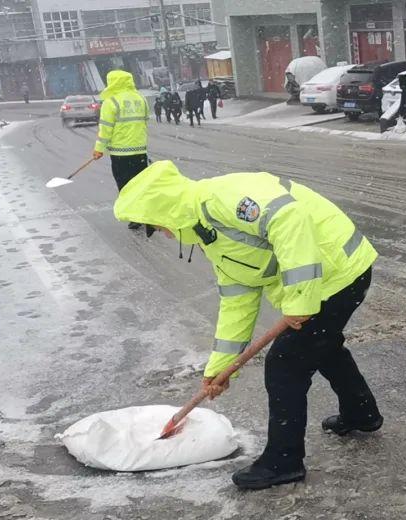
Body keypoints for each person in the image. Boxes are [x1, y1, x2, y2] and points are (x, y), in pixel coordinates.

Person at [113, 161, 382, 490]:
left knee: (285, 363)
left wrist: (299, 299)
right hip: (326, 279)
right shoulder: (211, 238)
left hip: (338, 271)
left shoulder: (223, 200)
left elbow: (289, 218)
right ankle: (361, 413)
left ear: (167, 210)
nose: (165, 234)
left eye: (158, 225)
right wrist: (222, 368)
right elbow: (237, 299)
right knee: (321, 347)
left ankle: (283, 461)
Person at [92, 70, 150, 230]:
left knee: (125, 186)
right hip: (140, 151)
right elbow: (145, 121)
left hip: (120, 154)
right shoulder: (141, 99)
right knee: (141, 184)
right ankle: (147, 214)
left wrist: (99, 149)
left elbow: (105, 129)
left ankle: (134, 217)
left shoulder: (111, 102)